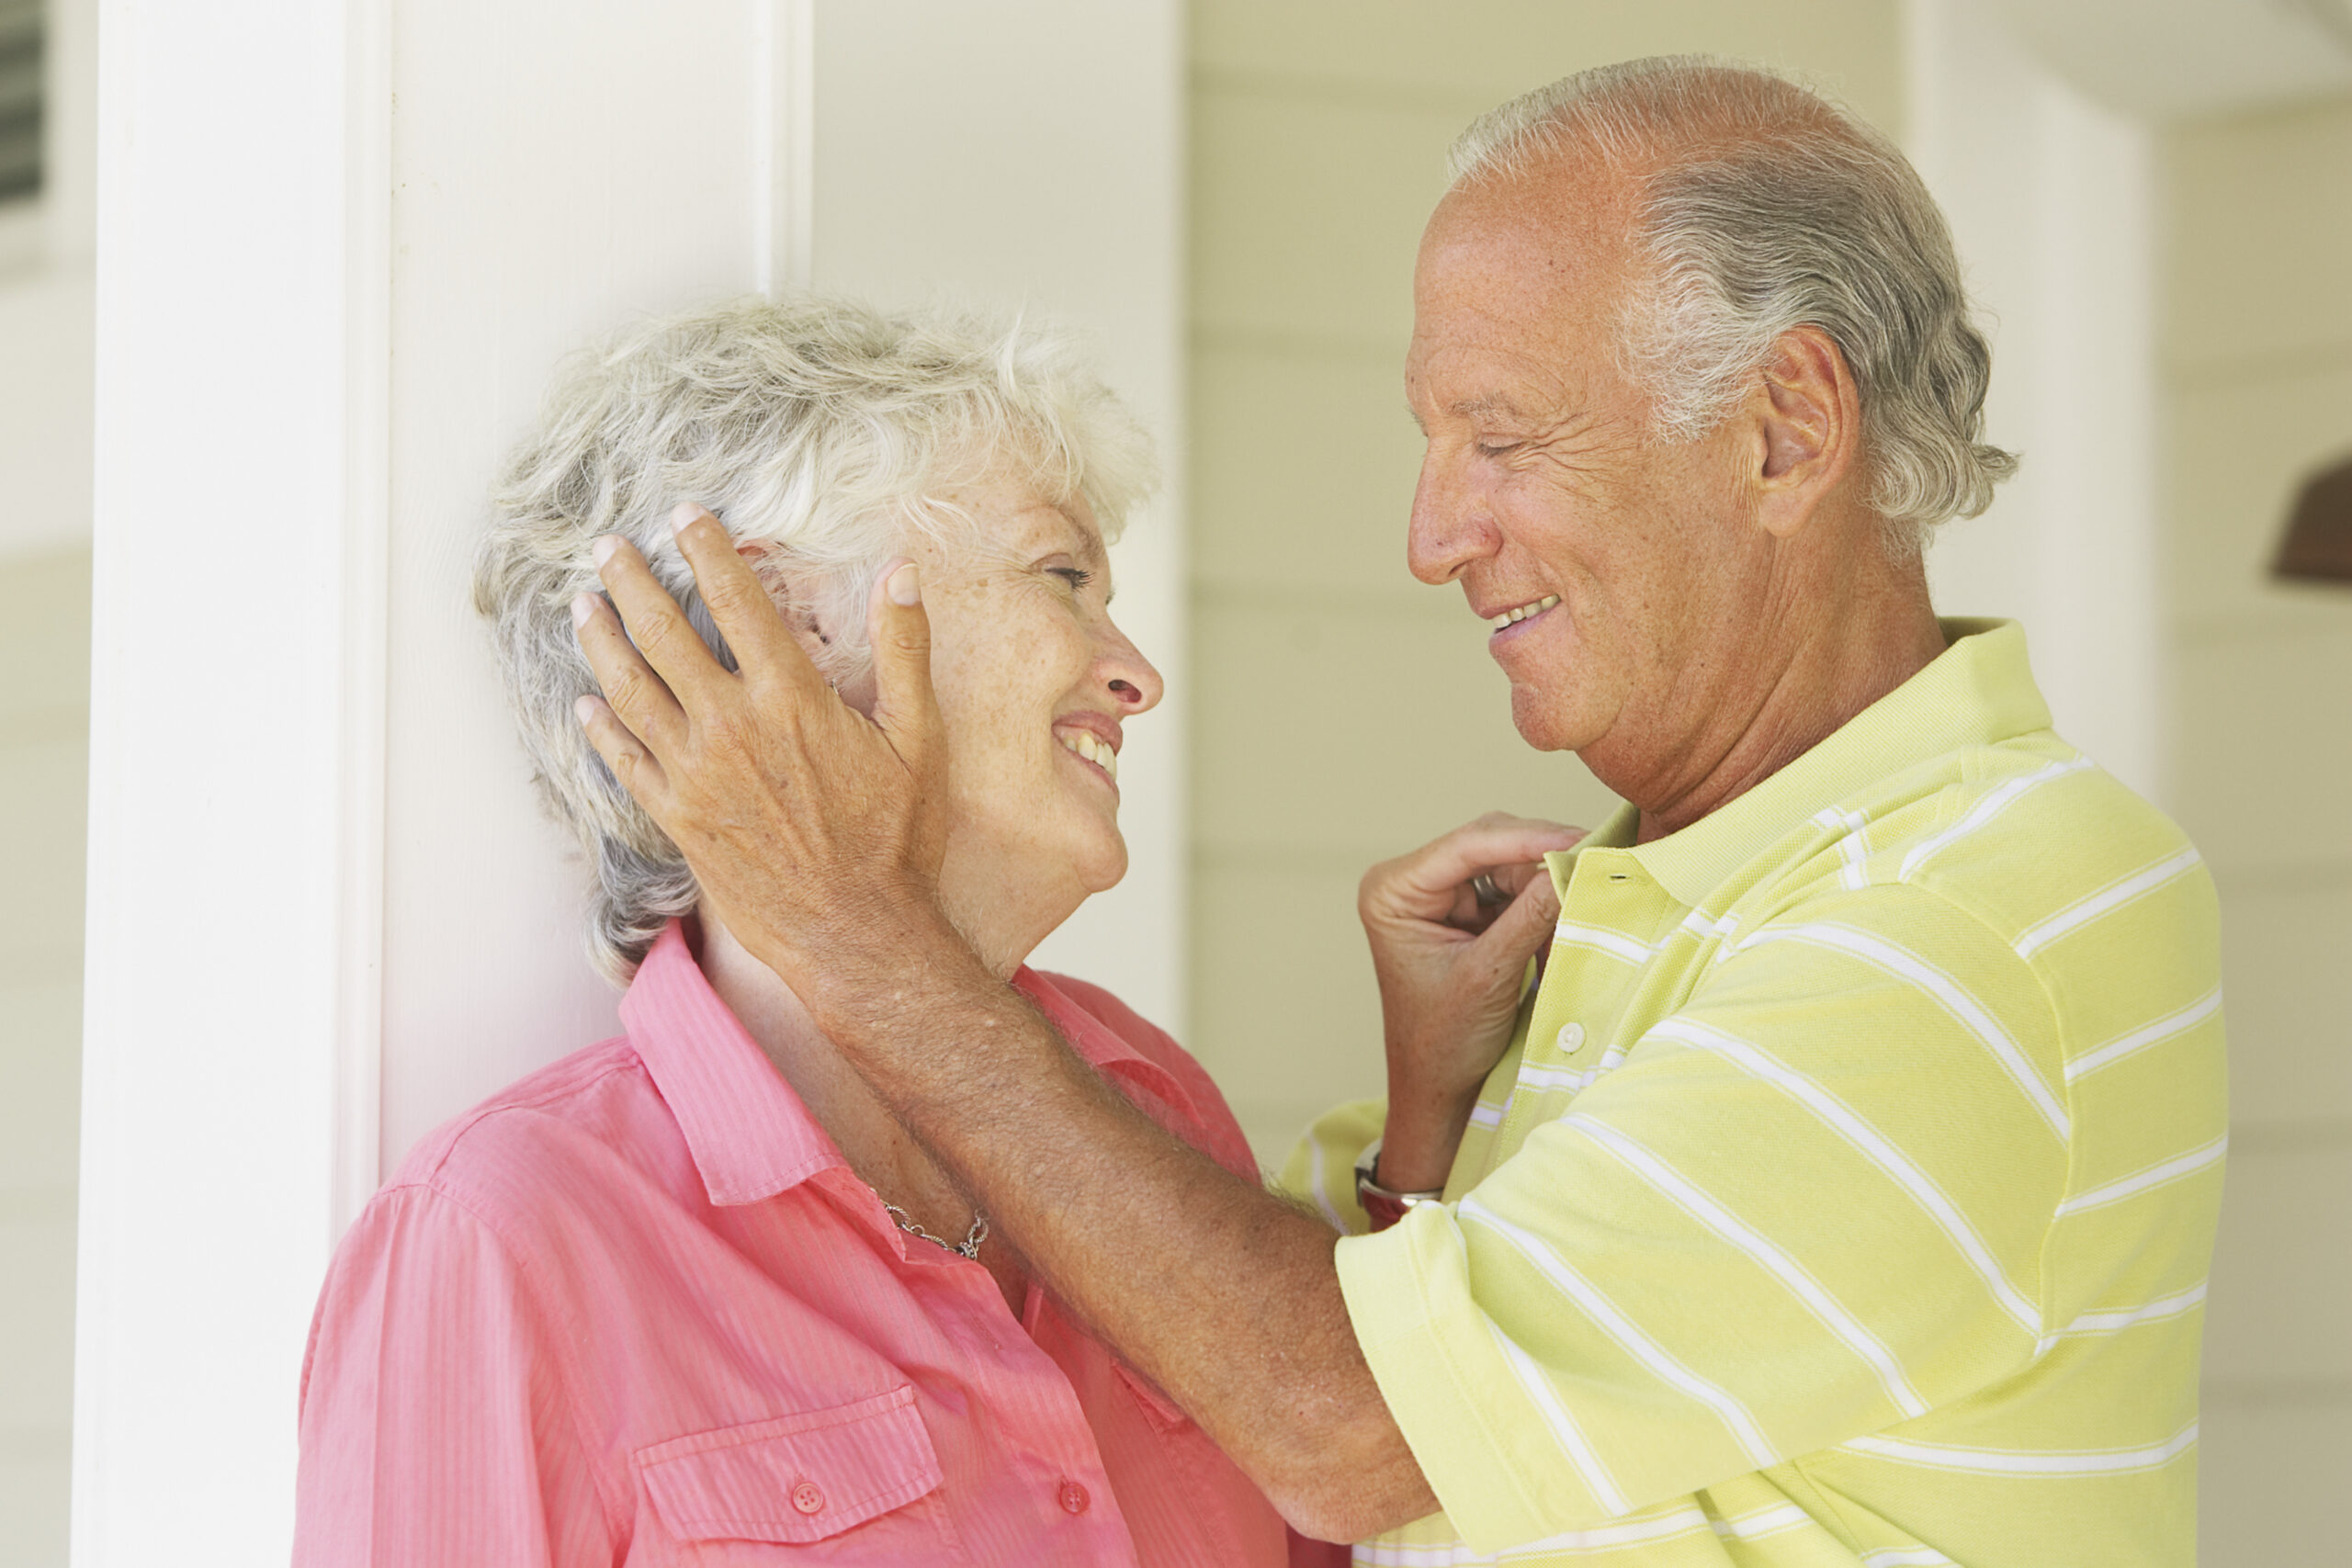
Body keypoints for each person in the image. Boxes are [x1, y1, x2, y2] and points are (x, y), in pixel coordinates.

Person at [571, 57, 2227, 1568]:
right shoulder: (1669, 898)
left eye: (1501, 439)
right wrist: (1430, 1139)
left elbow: (1352, 1438)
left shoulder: (1971, 913)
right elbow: (1466, 1479)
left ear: (1784, 432)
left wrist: (862, 938)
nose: (1433, 538)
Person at [293, 296, 1334, 1566]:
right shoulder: (501, 1239)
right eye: (1063, 578)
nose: (1134, 675)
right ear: (771, 629)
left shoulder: (1153, 1102)